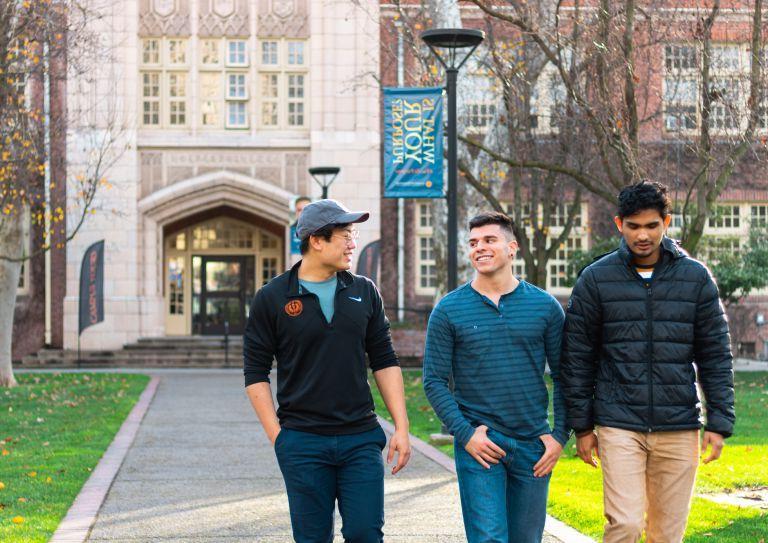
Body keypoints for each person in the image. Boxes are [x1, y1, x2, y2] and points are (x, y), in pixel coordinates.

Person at [562, 181, 735, 543]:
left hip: (679, 423)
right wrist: (582, 427)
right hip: (618, 424)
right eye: (634, 226)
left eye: (651, 225)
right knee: (624, 524)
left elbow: (715, 353)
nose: (643, 235)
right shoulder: (596, 280)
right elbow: (578, 358)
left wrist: (719, 421)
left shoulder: (696, 278)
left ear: (666, 222)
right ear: (618, 224)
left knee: (666, 535)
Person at [244, 199, 412, 543]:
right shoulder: (272, 297)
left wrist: (402, 426)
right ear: (316, 241)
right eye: (345, 235)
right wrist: (279, 438)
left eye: (354, 234)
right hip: (302, 442)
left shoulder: (365, 291)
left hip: (360, 438)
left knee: (366, 534)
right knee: (312, 538)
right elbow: (255, 372)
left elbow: (384, 359)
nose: (353, 243)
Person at [423, 211, 568, 543]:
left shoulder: (544, 307)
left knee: (527, 540)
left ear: (512, 247)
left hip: (534, 446)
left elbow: (566, 376)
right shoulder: (449, 309)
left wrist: (560, 435)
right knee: (489, 539)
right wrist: (465, 434)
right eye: (473, 243)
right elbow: (433, 380)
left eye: (489, 240)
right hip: (481, 445)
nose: (479, 248)